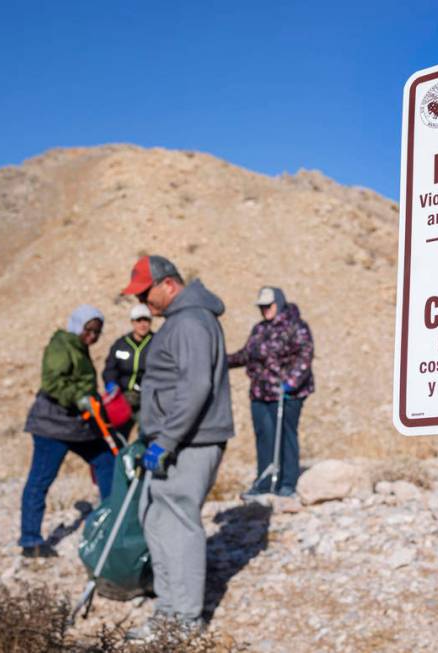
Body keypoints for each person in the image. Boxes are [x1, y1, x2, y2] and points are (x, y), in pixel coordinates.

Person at [120, 255, 234, 640]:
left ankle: (184, 619)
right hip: (173, 439)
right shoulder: (181, 321)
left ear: (168, 284)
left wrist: (165, 440)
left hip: (189, 441)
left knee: (179, 522)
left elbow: (195, 386)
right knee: (156, 519)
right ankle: (168, 611)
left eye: (145, 292)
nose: (142, 302)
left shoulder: (190, 322)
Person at [20, 305, 114, 558]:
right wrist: (79, 397)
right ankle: (30, 540)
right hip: (53, 425)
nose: (92, 337)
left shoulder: (78, 348)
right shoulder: (62, 346)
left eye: (97, 333)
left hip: (77, 425)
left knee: (107, 462)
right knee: (40, 479)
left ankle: (113, 519)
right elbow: (53, 382)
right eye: (89, 330)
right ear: (78, 326)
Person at [228, 286, 314, 499]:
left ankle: (287, 482)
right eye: (262, 306)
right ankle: (265, 482)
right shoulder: (260, 329)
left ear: (279, 303)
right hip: (260, 392)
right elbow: (246, 354)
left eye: (269, 305)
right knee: (264, 436)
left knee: (285, 436)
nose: (265, 310)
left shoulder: (296, 327)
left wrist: (290, 383)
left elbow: (305, 355)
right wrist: (222, 360)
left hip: (287, 395)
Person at [102, 303, 155, 440]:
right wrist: (111, 384)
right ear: (132, 322)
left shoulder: (157, 342)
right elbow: (110, 369)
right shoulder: (121, 344)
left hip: (148, 398)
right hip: (124, 397)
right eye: (139, 320)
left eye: (146, 320)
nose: (142, 324)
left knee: (148, 433)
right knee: (117, 435)